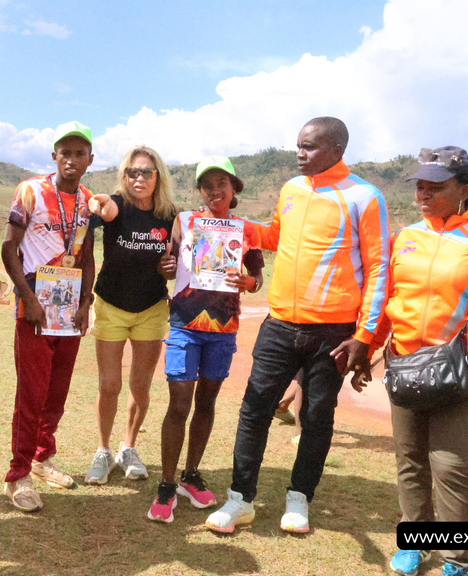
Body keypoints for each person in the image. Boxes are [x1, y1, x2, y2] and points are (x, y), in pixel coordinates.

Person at [206, 117, 390, 534]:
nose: (299, 153)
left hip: (334, 332)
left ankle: (299, 499)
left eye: (308, 147)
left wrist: (364, 335)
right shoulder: (291, 188)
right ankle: (240, 500)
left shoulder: (364, 196)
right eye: (298, 146)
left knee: (319, 416)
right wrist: (229, 224)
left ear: (336, 150)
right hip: (279, 325)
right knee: (254, 410)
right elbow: (274, 236)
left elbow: (380, 268)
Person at [366, 147, 468, 576]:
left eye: (435, 186)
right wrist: (368, 349)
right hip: (405, 367)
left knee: (451, 466)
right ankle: (414, 542)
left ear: (464, 191)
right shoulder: (405, 237)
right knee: (410, 460)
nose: (422, 192)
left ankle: (457, 557)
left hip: (464, 373)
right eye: (419, 184)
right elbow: (388, 302)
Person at [148, 156, 264, 523]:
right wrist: (163, 268)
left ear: (234, 190)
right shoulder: (184, 222)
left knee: (207, 403)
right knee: (179, 404)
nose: (215, 191)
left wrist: (250, 282)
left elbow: (257, 273)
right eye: (207, 186)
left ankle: (190, 475)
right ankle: (166, 484)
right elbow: (166, 264)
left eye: (222, 185)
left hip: (223, 329)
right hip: (184, 324)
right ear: (200, 190)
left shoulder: (245, 230)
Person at [0, 121, 96, 512]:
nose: (71, 160)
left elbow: (88, 254)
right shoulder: (31, 190)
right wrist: (28, 297)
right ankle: (17, 476)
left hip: (69, 306)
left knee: (57, 392)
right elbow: (9, 248)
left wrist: (86, 301)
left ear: (90, 159)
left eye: (79, 153)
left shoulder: (89, 200)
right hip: (35, 306)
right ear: (53, 155)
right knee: (32, 394)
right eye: (64, 152)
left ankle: (42, 458)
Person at [83, 146, 178, 485]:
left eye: (146, 173)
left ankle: (128, 447)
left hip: (151, 308)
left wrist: (170, 268)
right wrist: (99, 203)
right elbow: (103, 209)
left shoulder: (170, 216)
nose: (139, 178)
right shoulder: (117, 205)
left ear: (158, 177)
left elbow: (173, 266)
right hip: (111, 305)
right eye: (132, 173)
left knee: (140, 385)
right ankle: (103, 450)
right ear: (123, 177)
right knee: (109, 384)